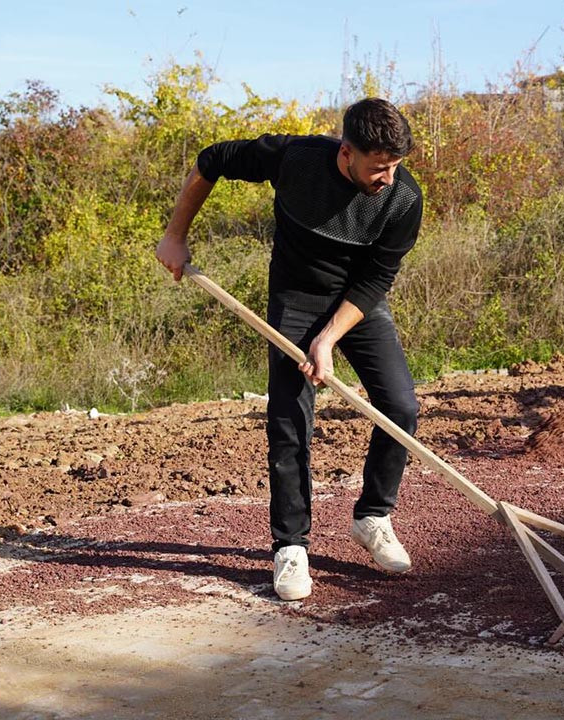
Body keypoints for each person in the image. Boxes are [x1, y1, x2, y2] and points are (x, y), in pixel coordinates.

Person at [155, 98, 423, 601]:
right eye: (378, 167)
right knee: (290, 420)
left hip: (357, 303)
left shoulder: (403, 198)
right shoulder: (294, 159)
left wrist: (329, 338)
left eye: (395, 167)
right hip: (296, 298)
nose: (387, 177)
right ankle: (290, 547)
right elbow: (211, 161)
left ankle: (372, 517)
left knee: (401, 407)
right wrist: (175, 236)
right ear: (346, 152)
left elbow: (378, 277)